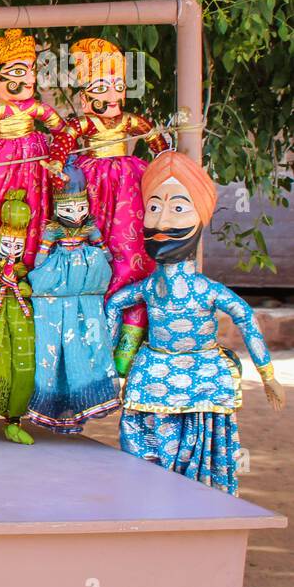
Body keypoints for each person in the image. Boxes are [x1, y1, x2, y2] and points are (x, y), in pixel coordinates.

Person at [108, 152, 286, 495]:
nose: (162, 222)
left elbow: (246, 318)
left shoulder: (208, 291)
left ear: (201, 216)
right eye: (154, 207)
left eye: (178, 208)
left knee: (203, 470)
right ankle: (144, 515)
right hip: (151, 372)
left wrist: (268, 376)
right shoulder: (148, 287)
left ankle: (197, 521)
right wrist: (107, 355)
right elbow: (115, 304)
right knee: (139, 460)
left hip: (205, 379)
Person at [49, 37, 170, 374]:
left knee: (131, 249)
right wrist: (57, 166)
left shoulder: (130, 120)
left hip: (128, 182)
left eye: (117, 86)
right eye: (102, 87)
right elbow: (61, 145)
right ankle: (94, 341)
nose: (112, 95)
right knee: (95, 243)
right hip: (94, 183)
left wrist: (166, 156)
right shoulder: (83, 123)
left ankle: (129, 342)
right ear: (86, 97)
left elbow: (154, 140)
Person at [27, 161, 120, 433]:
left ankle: (89, 396)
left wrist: (104, 262)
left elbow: (103, 249)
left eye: (80, 208)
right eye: (68, 209)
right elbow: (42, 257)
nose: (76, 214)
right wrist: (41, 273)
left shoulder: (89, 228)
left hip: (87, 277)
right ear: (57, 208)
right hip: (59, 275)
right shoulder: (53, 229)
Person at [0, 29, 65, 264]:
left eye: (31, 71)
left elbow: (62, 130)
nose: (30, 79)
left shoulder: (36, 107)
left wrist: (61, 154)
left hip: (34, 161)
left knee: (34, 205)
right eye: (19, 72)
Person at [0, 190, 36, 444]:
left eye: (17, 246)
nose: (12, 250)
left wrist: (23, 288)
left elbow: (31, 285)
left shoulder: (23, 268)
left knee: (20, 370)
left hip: (19, 321)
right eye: (8, 245)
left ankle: (13, 421)